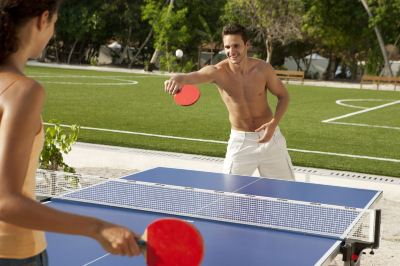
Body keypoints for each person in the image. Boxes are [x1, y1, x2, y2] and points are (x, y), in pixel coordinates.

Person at [0, 1, 140, 265]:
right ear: (43, 20)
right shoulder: (23, 92)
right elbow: (5, 200)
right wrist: (98, 228)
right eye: (55, 23)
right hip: (13, 253)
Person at [164, 23, 294, 180]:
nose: (231, 52)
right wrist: (178, 78)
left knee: (286, 192)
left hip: (271, 140)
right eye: (227, 47)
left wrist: (273, 124)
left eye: (236, 46)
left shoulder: (263, 69)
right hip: (241, 143)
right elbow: (193, 76)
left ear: (247, 45)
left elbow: (284, 96)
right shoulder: (217, 72)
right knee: (228, 197)